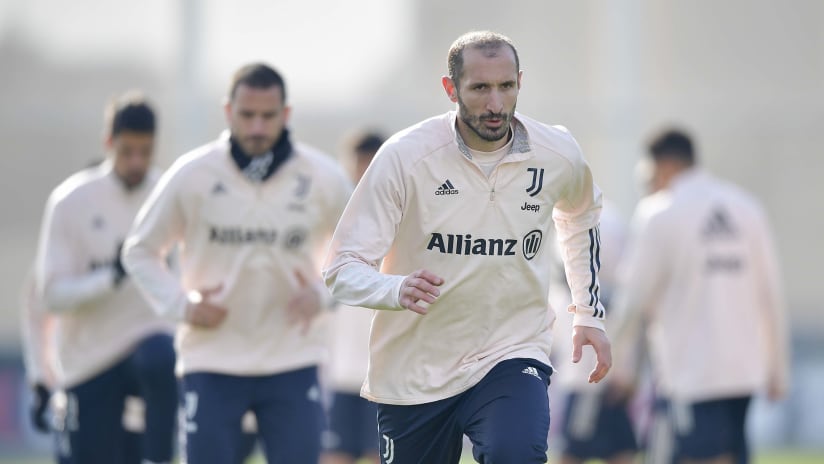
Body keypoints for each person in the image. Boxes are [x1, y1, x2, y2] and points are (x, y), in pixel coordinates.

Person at [323, 31, 611, 464]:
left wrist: (587, 311)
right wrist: (394, 289)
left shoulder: (557, 153)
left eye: (506, 86)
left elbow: (581, 214)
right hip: (414, 371)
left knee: (517, 454)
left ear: (519, 82)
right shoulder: (405, 156)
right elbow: (341, 267)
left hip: (511, 351)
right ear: (450, 88)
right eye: (480, 88)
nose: (496, 104)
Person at [122, 63, 352, 463]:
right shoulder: (193, 174)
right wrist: (183, 306)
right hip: (211, 360)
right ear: (229, 112)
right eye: (248, 115)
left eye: (269, 116)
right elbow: (139, 251)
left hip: (293, 358)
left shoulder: (322, 176)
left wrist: (323, 294)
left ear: (287, 114)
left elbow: (362, 250)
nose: (258, 127)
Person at [609, 129, 790, 464]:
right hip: (743, 372)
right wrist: (777, 367)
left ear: (661, 167)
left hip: (691, 374)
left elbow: (632, 300)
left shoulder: (659, 212)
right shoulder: (747, 208)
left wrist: (616, 363)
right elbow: (771, 294)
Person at [34, 93, 177, 463]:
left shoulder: (168, 194)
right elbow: (50, 295)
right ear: (108, 142)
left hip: (147, 352)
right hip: (89, 362)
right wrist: (110, 277)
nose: (136, 161)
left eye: (145, 151)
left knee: (161, 356)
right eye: (127, 150)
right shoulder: (71, 201)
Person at [547, 202, 638, 464]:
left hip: (588, 369)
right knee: (618, 450)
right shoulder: (605, 220)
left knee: (575, 451)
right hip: (596, 364)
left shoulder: (587, 221)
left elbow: (620, 295)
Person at [321, 131, 386, 464]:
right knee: (333, 455)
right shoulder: (330, 223)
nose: (364, 172)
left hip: (383, 373)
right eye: (359, 163)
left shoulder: (398, 219)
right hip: (337, 372)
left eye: (372, 163)